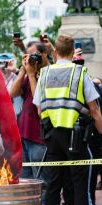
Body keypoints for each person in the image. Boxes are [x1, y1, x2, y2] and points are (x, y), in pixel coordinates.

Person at [33, 34, 102, 205]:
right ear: (73, 52)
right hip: (75, 135)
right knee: (79, 185)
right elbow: (95, 111)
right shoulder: (79, 73)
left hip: (52, 136)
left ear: (55, 51)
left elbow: (39, 110)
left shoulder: (44, 74)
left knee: (53, 186)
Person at [9, 41, 49, 203]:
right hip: (23, 135)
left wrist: (32, 75)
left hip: (39, 137)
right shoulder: (29, 74)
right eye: (28, 55)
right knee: (25, 182)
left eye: (35, 55)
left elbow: (38, 101)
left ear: (45, 54)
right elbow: (12, 93)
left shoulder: (49, 74)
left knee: (41, 183)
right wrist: (23, 71)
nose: (32, 59)